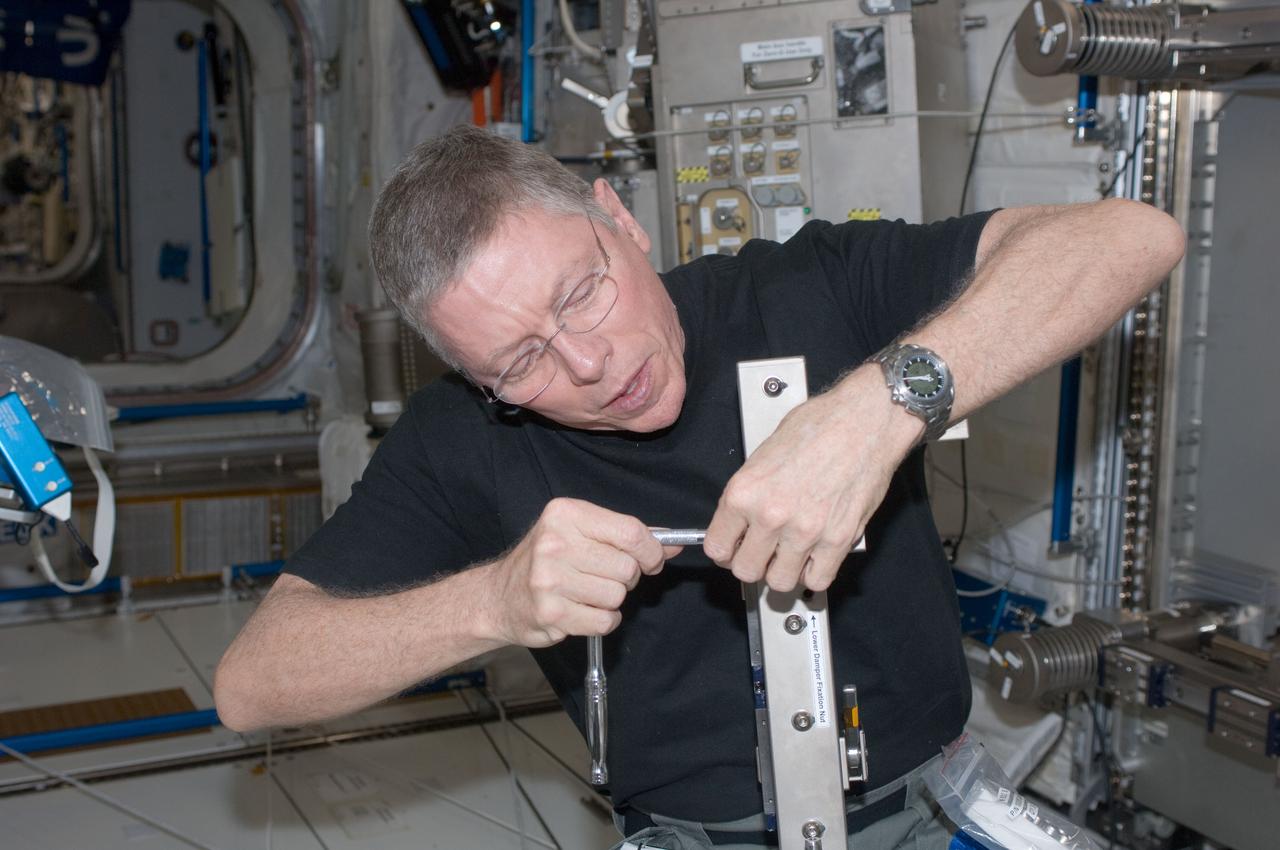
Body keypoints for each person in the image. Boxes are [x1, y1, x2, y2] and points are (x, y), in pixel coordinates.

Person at [214, 125, 1184, 848]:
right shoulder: (460, 439)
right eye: (520, 363)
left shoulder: (800, 289)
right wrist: (495, 599)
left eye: (580, 291)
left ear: (618, 218)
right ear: (474, 380)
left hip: (935, 800)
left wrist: (879, 405)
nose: (588, 363)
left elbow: (1127, 236)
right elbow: (253, 683)